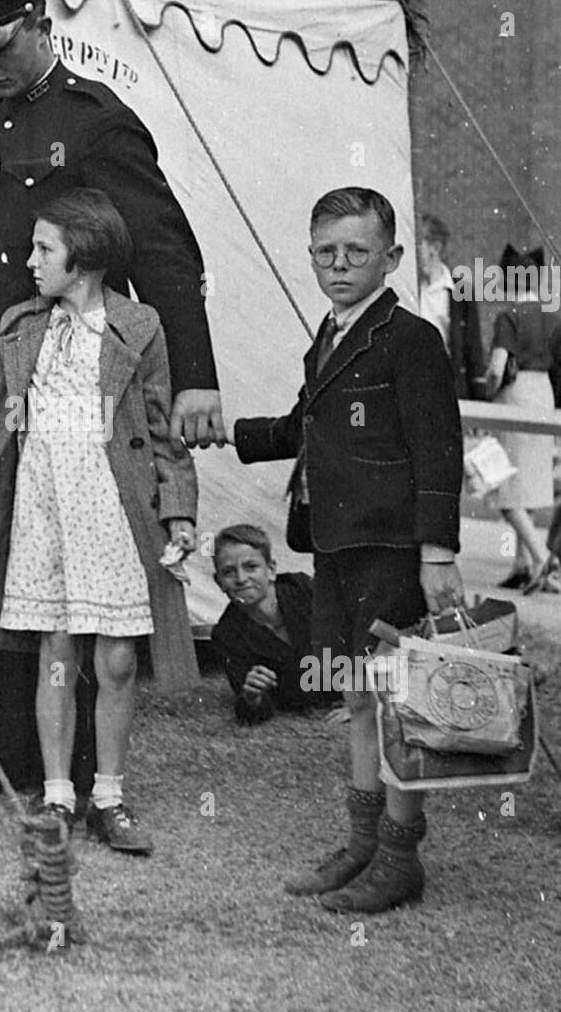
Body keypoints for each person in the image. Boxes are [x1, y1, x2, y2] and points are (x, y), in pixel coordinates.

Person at [0, 0, 222, 801]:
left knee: (77, 570)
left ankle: (83, 768)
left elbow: (165, 251)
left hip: (74, 383)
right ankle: (6, 756)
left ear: (40, 23)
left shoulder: (98, 122)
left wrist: (194, 378)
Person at [0, 189, 199, 854]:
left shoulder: (139, 325)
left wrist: (177, 510)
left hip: (110, 506)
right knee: (56, 653)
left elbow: (160, 429)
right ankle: (59, 795)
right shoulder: (19, 324)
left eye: (44, 249)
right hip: (39, 504)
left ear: (85, 258)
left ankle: (110, 797)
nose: (29, 260)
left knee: (117, 658)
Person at [225, 187, 464, 913]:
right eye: (326, 252)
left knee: (394, 700)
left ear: (391, 258)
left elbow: (438, 451)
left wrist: (438, 551)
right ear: (310, 255)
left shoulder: (411, 339)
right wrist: (225, 435)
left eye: (357, 252)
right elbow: (305, 427)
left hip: (391, 548)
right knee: (356, 692)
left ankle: (400, 856)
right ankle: (362, 844)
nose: (340, 265)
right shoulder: (326, 338)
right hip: (335, 544)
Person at [486, 245, 561, 594]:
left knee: (505, 485)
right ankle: (522, 565)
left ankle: (543, 558)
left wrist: (487, 391)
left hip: (514, 397)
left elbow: (497, 368)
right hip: (543, 394)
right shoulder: (552, 314)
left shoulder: (509, 315)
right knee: (528, 482)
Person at [209, 524, 324, 723]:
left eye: (251, 567)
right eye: (228, 572)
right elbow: (252, 704)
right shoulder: (227, 634)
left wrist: (358, 701)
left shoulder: (303, 590)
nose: (241, 579)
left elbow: (359, 636)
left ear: (271, 570)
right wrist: (253, 697)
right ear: (218, 582)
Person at [416, 213, 485, 398]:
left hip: (448, 386)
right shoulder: (409, 289)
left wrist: (479, 399)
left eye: (417, 244)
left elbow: (473, 350)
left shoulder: (460, 290)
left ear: (435, 248)